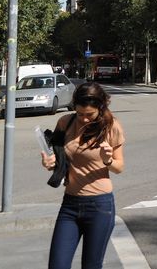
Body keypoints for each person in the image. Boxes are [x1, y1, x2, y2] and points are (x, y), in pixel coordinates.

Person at [41, 82, 125, 269]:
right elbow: (58, 159)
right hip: (70, 205)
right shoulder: (65, 123)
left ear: (100, 108)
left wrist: (108, 160)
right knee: (57, 265)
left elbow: (119, 167)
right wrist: (49, 163)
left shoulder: (112, 127)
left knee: (91, 266)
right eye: (80, 114)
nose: (84, 119)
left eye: (90, 115)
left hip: (100, 207)